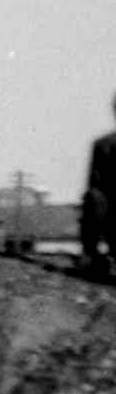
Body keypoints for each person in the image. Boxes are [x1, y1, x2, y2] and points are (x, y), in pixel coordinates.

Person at [83, 88, 116, 283]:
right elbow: (94, 184)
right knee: (93, 198)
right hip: (110, 208)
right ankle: (93, 256)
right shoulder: (102, 145)